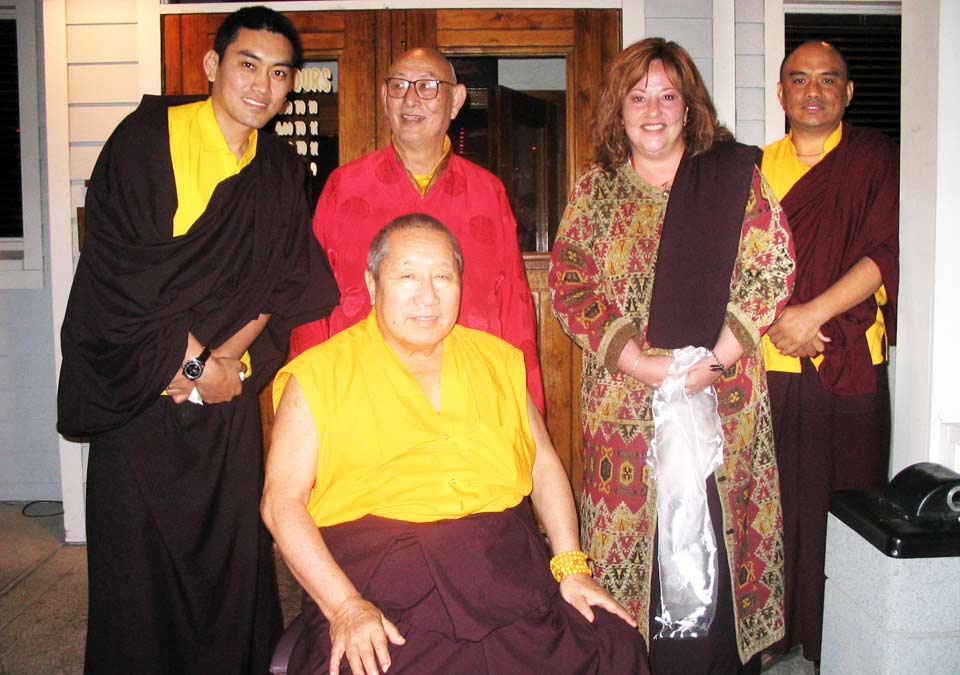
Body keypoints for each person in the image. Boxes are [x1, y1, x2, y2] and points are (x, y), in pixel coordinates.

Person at [56, 7, 340, 673]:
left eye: (278, 74)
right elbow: (119, 275)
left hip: (223, 409)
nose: (261, 87)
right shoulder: (145, 141)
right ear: (213, 66)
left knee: (229, 569)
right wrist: (188, 364)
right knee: (138, 579)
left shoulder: (277, 170)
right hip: (142, 397)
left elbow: (284, 285)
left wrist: (227, 366)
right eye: (247, 65)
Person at [262, 214, 649, 675]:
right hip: (378, 580)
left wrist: (571, 567)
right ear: (372, 283)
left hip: (504, 569)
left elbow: (543, 465)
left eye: (443, 276)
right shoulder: (318, 375)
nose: (427, 296)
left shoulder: (497, 361)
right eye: (407, 276)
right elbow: (281, 503)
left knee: (612, 644)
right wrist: (345, 606)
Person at [548, 38, 795, 674]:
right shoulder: (597, 191)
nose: (652, 111)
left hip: (724, 400)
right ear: (618, 109)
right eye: (638, 97)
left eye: (667, 96)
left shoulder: (733, 180)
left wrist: (712, 361)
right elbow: (571, 285)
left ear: (690, 108)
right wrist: (640, 364)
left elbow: (772, 269)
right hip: (629, 412)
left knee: (717, 534)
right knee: (644, 552)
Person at [288, 47, 544, 411]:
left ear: (456, 101)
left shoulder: (487, 192)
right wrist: (307, 410)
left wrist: (523, 413)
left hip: (468, 396)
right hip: (362, 397)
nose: (411, 99)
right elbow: (310, 304)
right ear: (383, 97)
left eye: (427, 86)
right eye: (399, 86)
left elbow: (514, 308)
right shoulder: (344, 187)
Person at [762, 40, 899, 664]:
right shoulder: (756, 168)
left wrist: (813, 315)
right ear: (782, 92)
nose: (813, 90)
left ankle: (837, 636)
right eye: (799, 78)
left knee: (843, 502)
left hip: (847, 362)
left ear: (848, 93)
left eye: (828, 79)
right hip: (766, 365)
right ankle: (771, 634)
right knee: (774, 507)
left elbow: (887, 250)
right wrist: (775, 324)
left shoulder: (876, 160)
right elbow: (735, 266)